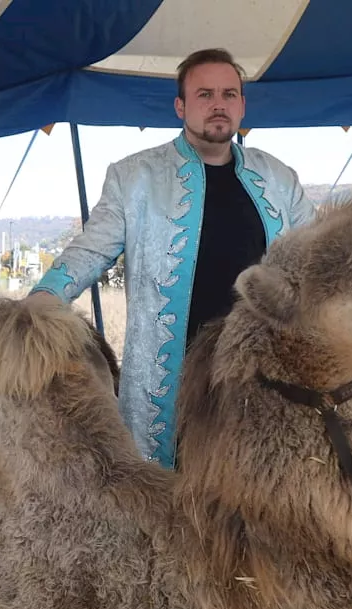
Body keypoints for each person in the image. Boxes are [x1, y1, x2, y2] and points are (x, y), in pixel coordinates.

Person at [28, 48, 315, 470]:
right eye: (204, 94)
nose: (219, 104)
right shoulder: (134, 177)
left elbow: (317, 260)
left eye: (229, 94)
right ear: (181, 106)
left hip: (262, 380)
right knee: (170, 504)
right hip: (171, 390)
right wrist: (41, 301)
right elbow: (91, 249)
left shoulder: (279, 178)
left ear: (241, 105)